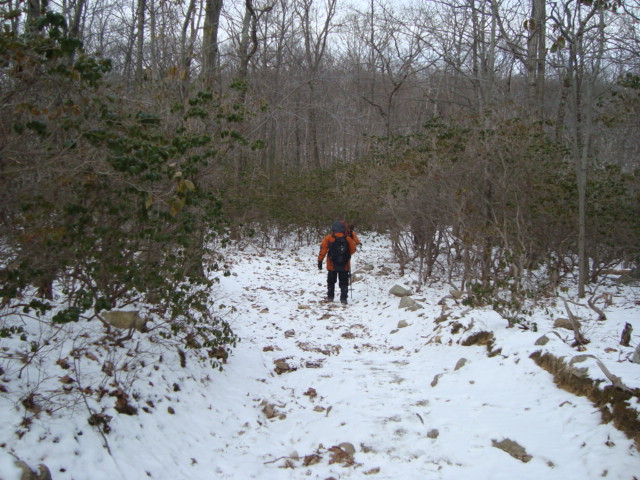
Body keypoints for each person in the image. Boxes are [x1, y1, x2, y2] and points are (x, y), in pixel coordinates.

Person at [318, 221, 357, 304]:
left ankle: (330, 297)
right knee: (344, 282)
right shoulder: (348, 239)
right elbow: (353, 249)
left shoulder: (329, 238)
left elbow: (323, 249)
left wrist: (320, 260)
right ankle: (343, 299)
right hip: (344, 265)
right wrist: (346, 255)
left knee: (331, 281)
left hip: (332, 265)